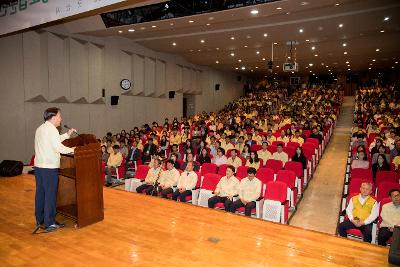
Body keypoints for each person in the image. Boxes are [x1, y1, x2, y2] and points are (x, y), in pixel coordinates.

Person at [34, 107, 76, 232]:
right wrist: (74, 150)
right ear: (53, 117)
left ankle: (40, 219)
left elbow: (53, 141)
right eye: (59, 116)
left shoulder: (41, 128)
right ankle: (50, 223)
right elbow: (59, 147)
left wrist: (67, 134)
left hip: (39, 167)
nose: (61, 119)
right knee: (50, 195)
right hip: (49, 168)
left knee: (41, 194)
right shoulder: (51, 130)